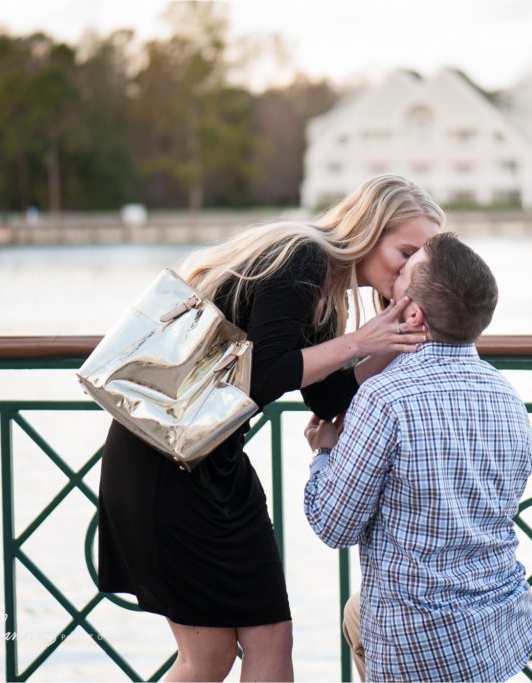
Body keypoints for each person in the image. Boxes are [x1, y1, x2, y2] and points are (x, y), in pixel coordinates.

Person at [97, 175, 441, 682]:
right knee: (208, 656)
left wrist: (390, 344)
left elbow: (325, 397)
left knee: (268, 640)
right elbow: (259, 379)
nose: (413, 269)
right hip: (165, 463)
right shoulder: (302, 257)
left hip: (213, 463)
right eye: (406, 252)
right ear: (369, 229)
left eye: (424, 260)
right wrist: (361, 339)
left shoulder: (326, 287)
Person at [303, 233, 532, 682]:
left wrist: (325, 453)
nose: (392, 276)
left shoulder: (383, 398)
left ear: (413, 314)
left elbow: (333, 525)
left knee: (362, 614)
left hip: (415, 638)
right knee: (358, 612)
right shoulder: (508, 398)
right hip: (500, 627)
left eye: (404, 274)